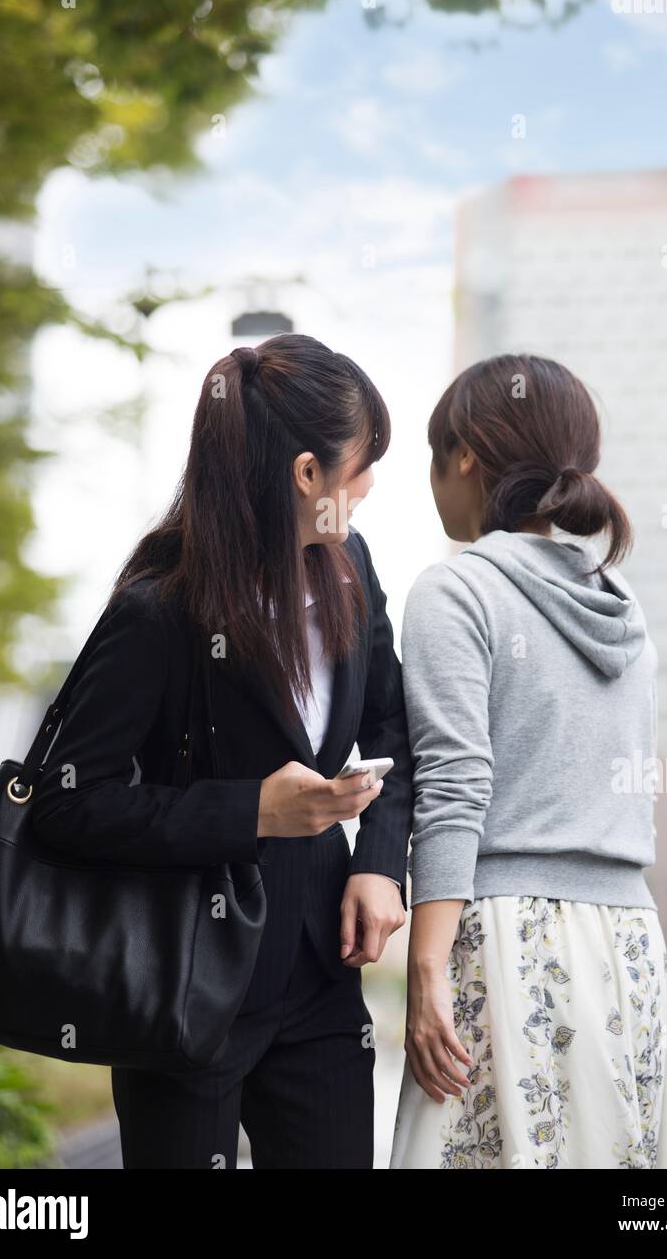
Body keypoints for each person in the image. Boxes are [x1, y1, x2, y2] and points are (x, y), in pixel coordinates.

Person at [30, 332, 414, 1169]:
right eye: (363, 463)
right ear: (307, 474)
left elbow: (391, 722)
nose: (372, 485)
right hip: (186, 985)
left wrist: (379, 864)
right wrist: (250, 811)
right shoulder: (158, 608)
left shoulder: (350, 563)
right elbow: (62, 798)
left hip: (319, 976)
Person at [390, 353, 667, 1169]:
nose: (428, 478)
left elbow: (455, 785)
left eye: (431, 454)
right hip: (628, 944)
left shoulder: (457, 591)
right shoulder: (626, 614)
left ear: (467, 459)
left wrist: (425, 969)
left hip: (507, 941)